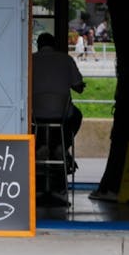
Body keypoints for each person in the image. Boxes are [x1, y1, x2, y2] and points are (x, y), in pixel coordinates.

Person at [30, 32, 85, 198]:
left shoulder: (30, 60)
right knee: (77, 116)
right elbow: (78, 87)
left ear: (38, 45)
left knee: (28, 121)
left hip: (36, 117)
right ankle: (62, 146)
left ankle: (41, 147)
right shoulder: (66, 59)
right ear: (54, 44)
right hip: (62, 117)